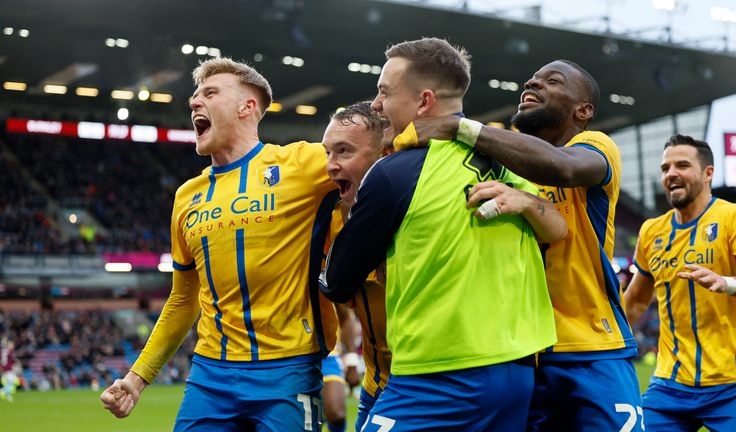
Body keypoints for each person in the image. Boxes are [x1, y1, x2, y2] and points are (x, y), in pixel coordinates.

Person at [323, 37, 565, 431]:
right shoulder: (507, 165)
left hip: (438, 374)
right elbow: (557, 228)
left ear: (424, 102)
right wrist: (526, 202)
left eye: (384, 91)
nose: (378, 104)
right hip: (517, 370)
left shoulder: (394, 173)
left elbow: (337, 283)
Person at [394, 59, 642, 431]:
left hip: (592, 347)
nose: (532, 81)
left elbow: (563, 168)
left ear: (583, 110)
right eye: (533, 78)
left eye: (551, 81)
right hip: (520, 354)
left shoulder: (593, 146)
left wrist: (458, 126)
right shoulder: (501, 167)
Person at [99, 57, 340, 431]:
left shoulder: (303, 163)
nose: (195, 102)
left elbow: (379, 152)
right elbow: (182, 300)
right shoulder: (186, 197)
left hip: (288, 369)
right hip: (210, 375)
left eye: (210, 93)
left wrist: (465, 144)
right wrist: (136, 378)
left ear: (249, 107)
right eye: (194, 97)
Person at [624, 134, 736, 432]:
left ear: (708, 173)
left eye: (682, 165)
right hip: (668, 386)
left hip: (731, 385)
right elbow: (636, 301)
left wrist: (728, 283)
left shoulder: (734, 217)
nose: (671, 173)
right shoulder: (651, 231)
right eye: (665, 168)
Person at [321, 101, 394, 431]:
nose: (330, 166)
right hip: (376, 386)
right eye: (327, 153)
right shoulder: (331, 220)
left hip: (422, 386)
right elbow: (344, 304)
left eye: (344, 151)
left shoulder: (419, 211)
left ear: (382, 154)